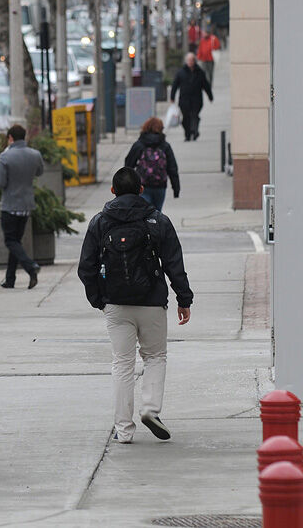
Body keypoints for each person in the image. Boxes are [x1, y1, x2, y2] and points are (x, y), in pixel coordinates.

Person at [77, 167, 193, 444]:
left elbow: (86, 267)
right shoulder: (158, 220)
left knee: (122, 363)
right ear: (142, 190)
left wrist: (99, 300)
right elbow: (174, 263)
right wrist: (183, 298)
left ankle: (124, 429)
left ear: (113, 191)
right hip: (152, 301)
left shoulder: (100, 222)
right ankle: (151, 409)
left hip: (116, 304)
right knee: (155, 357)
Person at [0, 123, 45, 289]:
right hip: (27, 205)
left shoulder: (5, 157)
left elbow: (0, 183)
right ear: (24, 137)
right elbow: (39, 172)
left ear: (11, 138)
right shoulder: (35, 154)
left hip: (10, 205)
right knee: (16, 242)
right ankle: (10, 279)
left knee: (11, 241)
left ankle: (30, 267)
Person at [124, 116, 180, 212]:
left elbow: (128, 166)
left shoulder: (139, 145)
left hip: (143, 186)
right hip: (160, 186)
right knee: (157, 213)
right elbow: (172, 168)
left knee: (144, 213)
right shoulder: (165, 146)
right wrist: (176, 188)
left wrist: (126, 188)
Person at [169, 53, 213, 142]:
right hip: (184, 100)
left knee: (194, 116)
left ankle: (194, 131)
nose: (190, 62)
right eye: (189, 60)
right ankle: (188, 134)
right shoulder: (181, 72)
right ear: (186, 61)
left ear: (195, 61)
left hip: (197, 99)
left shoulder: (200, 72)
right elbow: (175, 85)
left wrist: (210, 96)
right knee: (186, 118)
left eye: (192, 60)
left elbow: (206, 85)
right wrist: (172, 97)